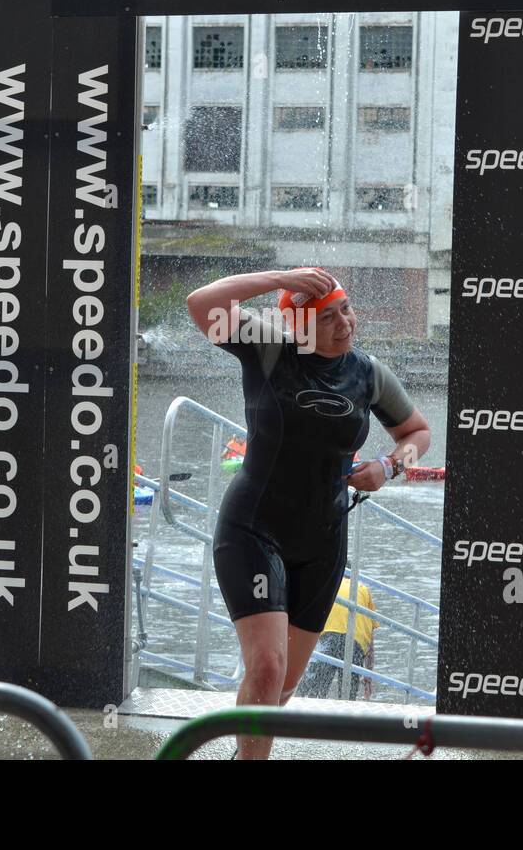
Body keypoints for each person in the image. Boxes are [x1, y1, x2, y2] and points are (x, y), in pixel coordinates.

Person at [186, 267, 429, 759]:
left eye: (347, 310)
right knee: (267, 668)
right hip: (255, 527)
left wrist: (389, 466)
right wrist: (279, 277)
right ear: (299, 326)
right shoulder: (270, 348)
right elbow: (201, 303)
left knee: (286, 681)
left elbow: (417, 434)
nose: (345, 324)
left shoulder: (369, 373)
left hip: (322, 540)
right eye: (328, 317)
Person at [295, 575, 378, 701]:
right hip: (357, 642)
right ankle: (345, 713)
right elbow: (371, 642)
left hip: (329, 637)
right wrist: (368, 681)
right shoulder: (363, 589)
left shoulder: (329, 583)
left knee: (313, 690)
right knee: (348, 695)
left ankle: (302, 706)